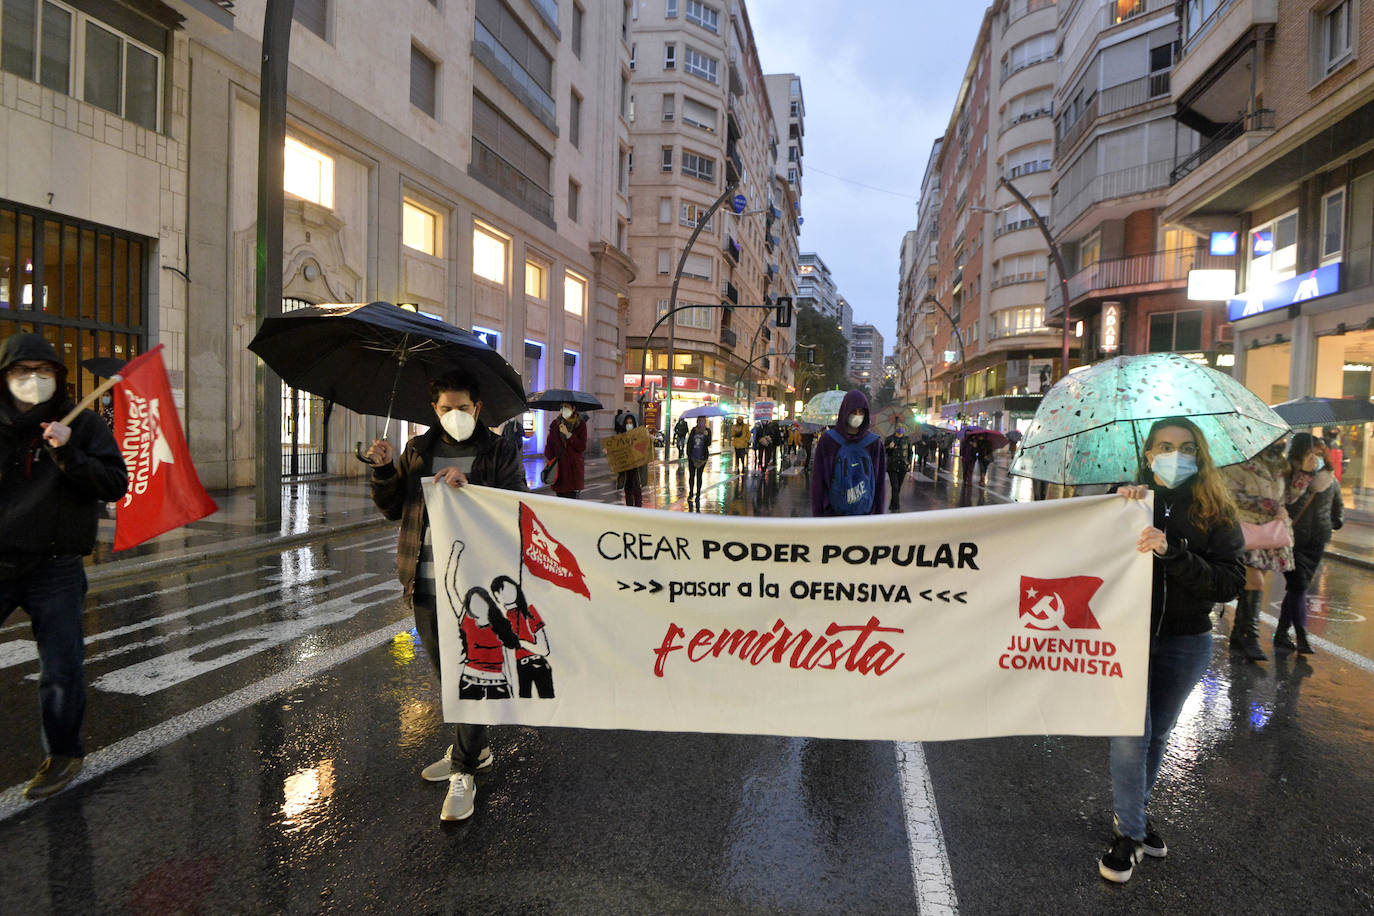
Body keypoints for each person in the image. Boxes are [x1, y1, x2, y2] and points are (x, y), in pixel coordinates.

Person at [366, 368, 527, 822]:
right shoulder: (419, 450)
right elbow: (393, 508)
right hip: (426, 583)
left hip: (479, 590)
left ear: (478, 408)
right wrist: (383, 471)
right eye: (444, 409)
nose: (453, 415)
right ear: (433, 410)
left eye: (461, 408)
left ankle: (464, 770)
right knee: (448, 679)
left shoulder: (499, 450)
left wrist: (472, 490)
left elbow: (518, 506)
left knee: (472, 676)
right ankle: (473, 748)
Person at [1100, 417, 1244, 884]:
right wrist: (1113, 509)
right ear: (1147, 454)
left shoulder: (1217, 512)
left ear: (1200, 456)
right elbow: (1086, 555)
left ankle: (1132, 822)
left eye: (1186, 447)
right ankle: (1131, 835)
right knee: (1129, 735)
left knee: (1157, 734)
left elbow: (1230, 581)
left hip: (1186, 640)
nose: (1176, 454)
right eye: (1165, 445)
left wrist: (1174, 552)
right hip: (1127, 638)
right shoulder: (1124, 501)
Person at [0, 333, 128, 800]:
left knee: (61, 666)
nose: (31, 380)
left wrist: (70, 451)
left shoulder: (84, 423)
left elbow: (115, 484)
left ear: (58, 376)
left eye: (43, 370)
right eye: (20, 371)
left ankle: (63, 752)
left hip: (55, 566)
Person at [1219, 438, 1293, 661]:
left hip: (1269, 534)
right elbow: (1227, 494)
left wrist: (1306, 474)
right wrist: (1269, 505)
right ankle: (1249, 636)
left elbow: (1287, 497)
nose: (1281, 442)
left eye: (1284, 439)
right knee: (1255, 583)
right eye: (1278, 438)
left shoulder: (1280, 465)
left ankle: (1239, 636)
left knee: (1252, 586)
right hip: (1244, 530)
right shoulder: (1237, 463)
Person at [1276, 433, 1343, 655]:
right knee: (1299, 586)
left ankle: (1282, 633)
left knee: (1297, 589)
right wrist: (1303, 475)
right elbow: (1283, 500)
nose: (1318, 455)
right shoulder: (1287, 476)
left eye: (1322, 451)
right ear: (1300, 452)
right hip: (1292, 539)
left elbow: (1337, 504)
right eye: (1313, 451)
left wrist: (1335, 521)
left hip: (1317, 540)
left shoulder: (1329, 477)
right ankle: (1302, 636)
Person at [810, 389, 885, 516]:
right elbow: (818, 481)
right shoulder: (828, 441)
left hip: (864, 517)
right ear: (845, 411)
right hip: (833, 517)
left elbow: (879, 483)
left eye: (861, 412)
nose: (857, 416)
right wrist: (818, 515)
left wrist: (878, 516)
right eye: (853, 411)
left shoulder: (875, 443)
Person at [491, 576, 553, 698]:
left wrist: (520, 643)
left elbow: (544, 650)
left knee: (547, 700)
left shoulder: (529, 612)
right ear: (497, 596)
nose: (507, 593)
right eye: (502, 590)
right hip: (519, 669)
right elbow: (505, 655)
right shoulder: (502, 621)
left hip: (538, 664)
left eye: (510, 588)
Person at [544, 402, 587, 498]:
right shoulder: (555, 424)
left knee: (572, 502)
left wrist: (568, 434)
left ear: (573, 408)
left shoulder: (580, 424)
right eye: (562, 407)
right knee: (560, 500)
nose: (564, 409)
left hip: (573, 470)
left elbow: (582, 447)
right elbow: (549, 447)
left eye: (566, 407)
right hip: (560, 470)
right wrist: (553, 460)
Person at [616, 413, 647, 507]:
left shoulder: (637, 434)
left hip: (636, 465)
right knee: (628, 487)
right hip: (626, 466)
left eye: (631, 422)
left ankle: (638, 507)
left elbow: (643, 446)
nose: (629, 424)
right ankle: (629, 506)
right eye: (627, 422)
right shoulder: (621, 436)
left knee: (637, 486)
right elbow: (615, 448)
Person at [884, 425, 913, 511]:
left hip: (903, 466)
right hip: (892, 466)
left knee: (898, 487)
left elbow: (910, 452)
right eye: (899, 428)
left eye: (902, 428)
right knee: (895, 486)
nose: (901, 430)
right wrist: (889, 447)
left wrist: (909, 462)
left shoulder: (907, 439)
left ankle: (892, 504)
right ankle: (896, 506)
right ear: (896, 430)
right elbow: (884, 451)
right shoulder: (889, 439)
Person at [685, 415, 712, 508]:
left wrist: (706, 435)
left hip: (702, 457)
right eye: (700, 421)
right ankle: (691, 493)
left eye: (703, 421)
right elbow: (689, 442)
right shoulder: (693, 430)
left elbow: (709, 443)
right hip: (692, 456)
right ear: (697, 421)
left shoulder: (707, 431)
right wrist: (688, 454)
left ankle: (698, 494)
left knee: (699, 476)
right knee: (691, 475)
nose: (701, 422)